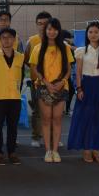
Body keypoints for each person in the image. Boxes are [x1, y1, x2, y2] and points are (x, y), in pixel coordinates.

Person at [68, 22, 99, 163]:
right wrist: (79, 88)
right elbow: (78, 72)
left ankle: (96, 149)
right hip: (87, 86)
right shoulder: (81, 51)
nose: (93, 34)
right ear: (87, 34)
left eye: (96, 32)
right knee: (86, 118)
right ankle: (87, 150)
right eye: (90, 32)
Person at [29, 18, 74, 163]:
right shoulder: (38, 48)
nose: (52, 32)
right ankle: (48, 151)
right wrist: (46, 83)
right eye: (49, 29)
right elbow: (35, 68)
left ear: (58, 31)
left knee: (58, 119)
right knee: (46, 119)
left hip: (61, 87)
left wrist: (63, 81)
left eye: (55, 29)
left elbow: (68, 69)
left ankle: (55, 151)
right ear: (45, 30)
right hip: (44, 88)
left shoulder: (65, 48)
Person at [0, 28, 24, 165]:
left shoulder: (20, 57)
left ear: (14, 39)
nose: (7, 40)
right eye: (3, 37)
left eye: (9, 37)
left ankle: (12, 152)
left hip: (15, 97)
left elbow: (21, 77)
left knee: (13, 126)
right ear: (0, 40)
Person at [24, 11, 52, 148]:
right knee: (38, 111)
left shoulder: (57, 41)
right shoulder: (32, 41)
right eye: (40, 23)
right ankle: (36, 137)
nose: (42, 26)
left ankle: (52, 138)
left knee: (54, 112)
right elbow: (26, 60)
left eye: (45, 23)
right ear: (36, 25)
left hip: (54, 83)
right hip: (37, 82)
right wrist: (38, 73)